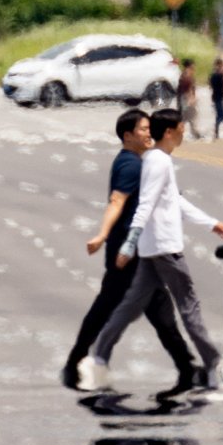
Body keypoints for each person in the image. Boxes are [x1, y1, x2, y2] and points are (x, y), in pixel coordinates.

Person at [87, 108, 223, 390]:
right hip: (164, 247)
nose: (184, 132)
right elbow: (146, 203)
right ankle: (215, 366)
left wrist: (210, 223)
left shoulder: (156, 160)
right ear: (169, 133)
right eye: (180, 128)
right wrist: (129, 243)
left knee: (130, 305)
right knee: (190, 306)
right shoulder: (158, 162)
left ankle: (98, 358)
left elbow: (174, 201)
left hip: (154, 248)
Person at [62, 109, 196, 392]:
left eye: (150, 129)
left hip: (137, 251)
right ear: (128, 136)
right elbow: (116, 201)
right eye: (144, 129)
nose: (149, 134)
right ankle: (75, 362)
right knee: (111, 306)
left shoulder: (137, 162)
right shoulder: (130, 165)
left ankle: (186, 366)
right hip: (129, 253)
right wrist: (102, 234)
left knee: (155, 309)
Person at [176, 59, 202, 139]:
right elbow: (187, 89)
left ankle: (194, 133)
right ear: (189, 66)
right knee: (189, 116)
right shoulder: (187, 75)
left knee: (187, 117)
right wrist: (191, 98)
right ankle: (194, 133)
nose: (194, 67)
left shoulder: (184, 74)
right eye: (193, 65)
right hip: (186, 98)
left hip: (183, 98)